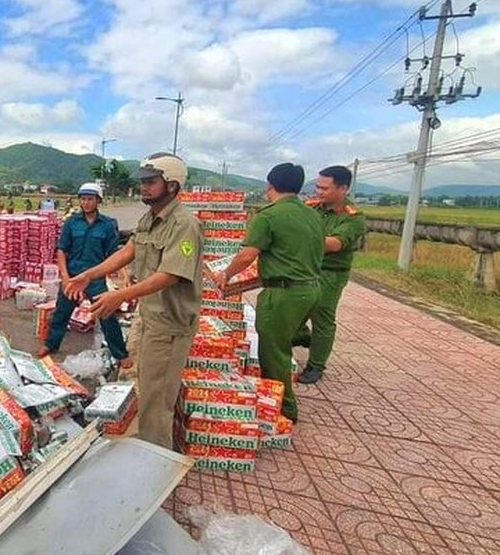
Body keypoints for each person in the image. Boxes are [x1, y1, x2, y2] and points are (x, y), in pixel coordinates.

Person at [66, 154, 202, 449]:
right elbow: (128, 252)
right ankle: (150, 445)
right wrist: (89, 274)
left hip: (170, 325)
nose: (144, 187)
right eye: (142, 182)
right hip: (150, 316)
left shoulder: (184, 224)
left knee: (157, 399)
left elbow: (170, 275)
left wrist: (120, 295)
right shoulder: (150, 218)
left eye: (151, 182)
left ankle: (155, 460)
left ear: (173, 185)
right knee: (146, 384)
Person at [209, 163, 323, 422]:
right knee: (285, 334)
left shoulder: (268, 216)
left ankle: (284, 409)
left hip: (283, 294)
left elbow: (248, 254)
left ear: (270, 185)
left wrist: (226, 274)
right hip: (312, 290)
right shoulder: (312, 214)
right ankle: (300, 333)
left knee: (273, 354)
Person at [37, 183, 131, 370]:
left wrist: (125, 276)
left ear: (98, 201)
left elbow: (115, 255)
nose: (86, 202)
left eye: (90, 199)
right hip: (73, 277)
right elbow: (62, 250)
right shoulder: (72, 222)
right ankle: (51, 344)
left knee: (107, 315)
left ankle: (120, 353)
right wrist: (64, 277)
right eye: (83, 199)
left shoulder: (107, 225)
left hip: (96, 279)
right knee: (61, 313)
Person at [294, 166, 366, 384]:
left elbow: (334, 244)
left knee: (322, 317)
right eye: (317, 186)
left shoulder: (352, 217)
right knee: (293, 312)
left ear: (343, 188)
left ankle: (316, 365)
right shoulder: (311, 208)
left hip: (330, 273)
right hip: (304, 269)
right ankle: (304, 336)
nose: (319, 192)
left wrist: (298, 237)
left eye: (324, 188)